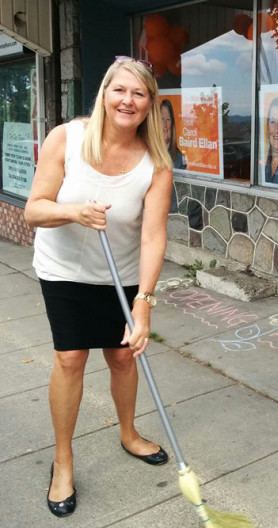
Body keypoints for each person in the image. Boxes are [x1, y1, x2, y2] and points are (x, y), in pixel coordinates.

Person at [24, 56, 173, 518]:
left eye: (140, 93)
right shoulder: (66, 139)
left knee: (123, 355)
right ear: (105, 94)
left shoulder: (156, 164)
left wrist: (144, 301)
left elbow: (152, 235)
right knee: (71, 359)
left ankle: (128, 433)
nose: (128, 100)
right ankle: (63, 462)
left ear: (149, 104)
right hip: (64, 270)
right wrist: (74, 212)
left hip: (121, 274)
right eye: (120, 90)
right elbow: (34, 209)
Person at [160, 98, 186, 212]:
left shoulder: (179, 157)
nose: (165, 124)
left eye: (168, 119)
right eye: (161, 119)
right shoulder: (147, 151)